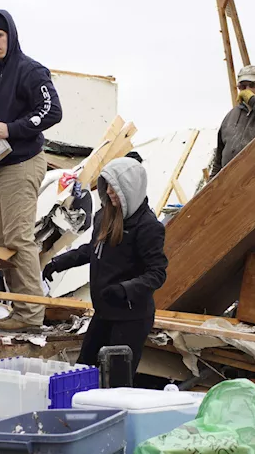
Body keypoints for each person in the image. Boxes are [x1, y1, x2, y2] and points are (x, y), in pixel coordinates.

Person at [0, 9, 63, 331]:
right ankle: (17, 310)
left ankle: (30, 315)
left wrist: (11, 128)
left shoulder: (31, 71)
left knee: (19, 239)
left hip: (23, 163)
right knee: (0, 241)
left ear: (10, 35)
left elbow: (52, 111)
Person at [42, 157, 167, 370]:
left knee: (116, 377)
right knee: (84, 369)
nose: (109, 191)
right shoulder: (105, 215)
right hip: (104, 311)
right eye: (106, 184)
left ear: (130, 188)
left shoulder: (148, 227)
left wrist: (125, 290)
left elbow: (157, 273)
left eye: (115, 186)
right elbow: (94, 250)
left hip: (130, 318)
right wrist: (59, 262)